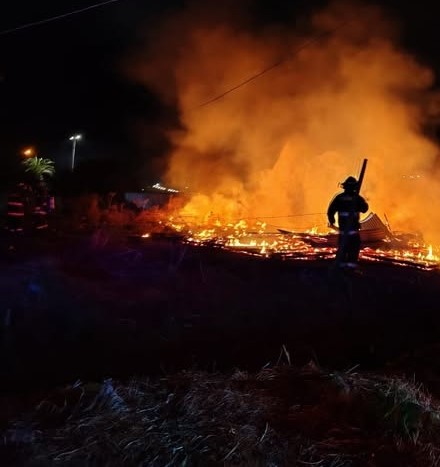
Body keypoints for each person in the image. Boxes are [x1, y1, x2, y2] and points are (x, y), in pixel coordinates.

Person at [327, 176, 369, 269]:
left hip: (344, 230)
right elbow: (365, 209)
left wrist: (332, 220)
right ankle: (350, 269)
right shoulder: (357, 198)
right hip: (353, 231)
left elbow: (331, 210)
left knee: (343, 249)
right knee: (353, 251)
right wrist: (360, 203)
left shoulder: (340, 198)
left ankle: (341, 269)